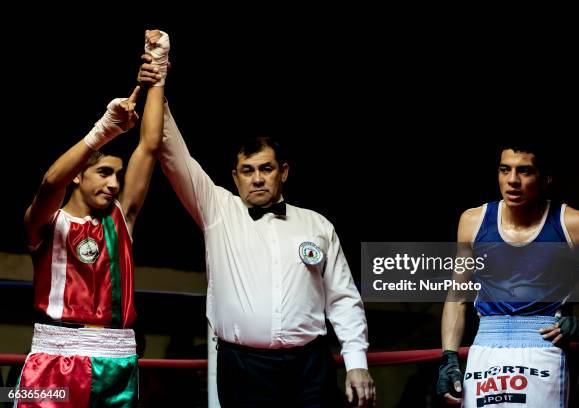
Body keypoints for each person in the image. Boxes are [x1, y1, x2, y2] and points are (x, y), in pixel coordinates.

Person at [137, 30, 375, 407]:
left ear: (284, 172)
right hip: (243, 366)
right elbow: (171, 150)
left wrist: (357, 362)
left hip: (310, 365)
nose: (258, 178)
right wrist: (158, 72)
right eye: (248, 170)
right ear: (235, 177)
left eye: (266, 168)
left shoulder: (317, 225)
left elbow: (343, 298)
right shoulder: (218, 210)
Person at [17, 34, 166, 407]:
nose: (114, 183)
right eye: (103, 172)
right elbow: (51, 181)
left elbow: (149, 144)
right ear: (80, 175)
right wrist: (103, 130)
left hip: (117, 361)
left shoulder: (121, 217)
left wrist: (159, 73)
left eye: (118, 174)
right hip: (54, 359)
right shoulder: (47, 222)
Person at [437, 143, 579, 407]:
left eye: (525, 171)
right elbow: (457, 296)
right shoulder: (473, 221)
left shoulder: (573, 224)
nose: (512, 181)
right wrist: (448, 357)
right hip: (484, 346)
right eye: (505, 170)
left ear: (546, 178)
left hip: (542, 344)